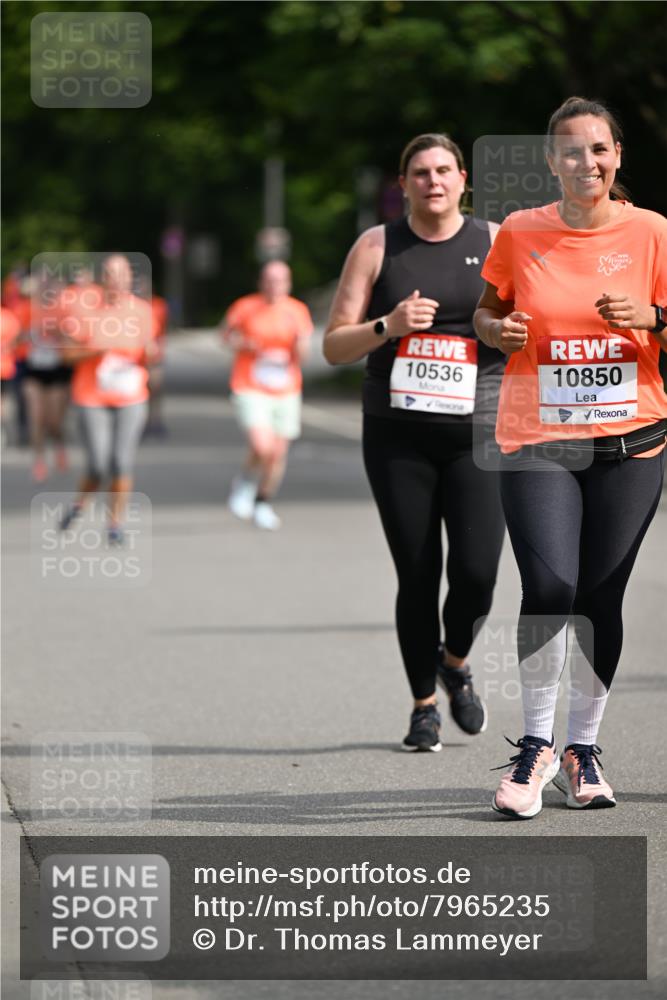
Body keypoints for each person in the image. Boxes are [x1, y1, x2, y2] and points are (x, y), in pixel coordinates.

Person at [474, 97, 667, 818]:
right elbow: (484, 312)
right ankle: (533, 747)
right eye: (569, 151)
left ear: (617, 156)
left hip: (631, 441)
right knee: (550, 589)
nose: (584, 163)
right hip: (539, 438)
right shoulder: (522, 231)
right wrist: (497, 329)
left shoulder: (651, 232)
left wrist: (653, 318)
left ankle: (582, 752)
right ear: (550, 161)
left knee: (600, 597)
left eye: (597, 150)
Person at [323, 133, 506, 752]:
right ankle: (424, 704)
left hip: (479, 432)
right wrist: (387, 325)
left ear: (463, 180)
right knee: (418, 571)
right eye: (420, 172)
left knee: (478, 572)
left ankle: (455, 659)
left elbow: (531, 320)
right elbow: (333, 345)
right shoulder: (378, 246)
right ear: (404, 184)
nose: (433, 181)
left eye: (444, 170)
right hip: (398, 437)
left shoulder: (495, 241)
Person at [59, 254, 156, 544]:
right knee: (98, 464)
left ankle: (115, 524)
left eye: (124, 274)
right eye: (112, 274)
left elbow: (149, 352)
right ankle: (79, 504)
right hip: (92, 397)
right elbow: (66, 355)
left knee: (121, 462)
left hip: (131, 396)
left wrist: (150, 353)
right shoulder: (86, 309)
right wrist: (97, 351)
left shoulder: (141, 311)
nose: (119, 280)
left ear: (130, 278)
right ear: (104, 279)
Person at [220, 260, 313, 531]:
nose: (274, 285)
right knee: (262, 446)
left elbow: (304, 356)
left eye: (280, 280)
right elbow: (225, 336)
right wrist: (243, 343)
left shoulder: (297, 311)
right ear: (261, 282)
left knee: (277, 453)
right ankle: (245, 483)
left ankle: (262, 501)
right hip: (250, 385)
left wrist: (299, 344)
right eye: (270, 280)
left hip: (286, 389)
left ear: (288, 283)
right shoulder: (245, 307)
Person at [16, 272, 72, 482]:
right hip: (33, 371)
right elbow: (15, 337)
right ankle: (39, 460)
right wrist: (28, 334)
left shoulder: (64, 311)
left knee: (54, 421)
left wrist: (57, 332)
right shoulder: (27, 309)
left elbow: (73, 338)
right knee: (36, 417)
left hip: (57, 371)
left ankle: (59, 444)